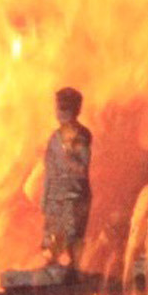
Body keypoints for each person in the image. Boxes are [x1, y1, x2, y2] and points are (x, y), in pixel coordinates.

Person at [40, 88, 94, 271]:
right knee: (51, 243)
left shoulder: (81, 135)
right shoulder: (55, 138)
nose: (60, 111)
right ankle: (52, 270)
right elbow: (49, 170)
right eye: (59, 107)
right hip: (56, 197)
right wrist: (45, 198)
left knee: (71, 241)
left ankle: (71, 272)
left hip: (73, 196)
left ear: (75, 110)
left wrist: (66, 157)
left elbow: (82, 167)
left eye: (64, 107)